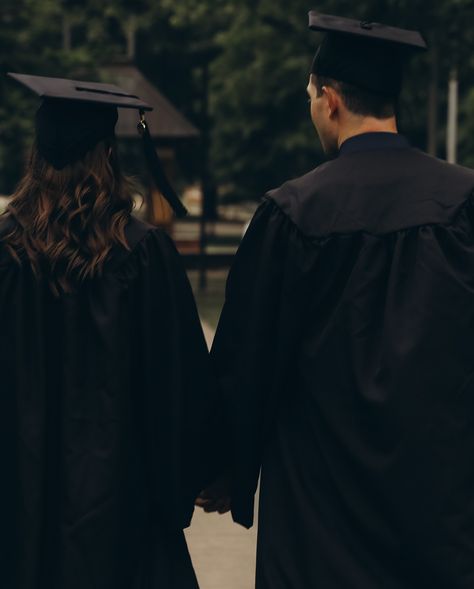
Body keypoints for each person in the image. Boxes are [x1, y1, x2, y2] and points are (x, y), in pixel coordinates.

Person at [202, 12, 474, 589]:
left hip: (319, 519)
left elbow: (246, 363)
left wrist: (222, 467)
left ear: (329, 100)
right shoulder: (463, 203)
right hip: (441, 511)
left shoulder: (292, 212)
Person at [0, 74, 219, 589]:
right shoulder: (142, 254)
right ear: (108, 154)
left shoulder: (6, 255)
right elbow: (180, 382)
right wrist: (204, 472)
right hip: (125, 516)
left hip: (19, 514)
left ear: (36, 154)